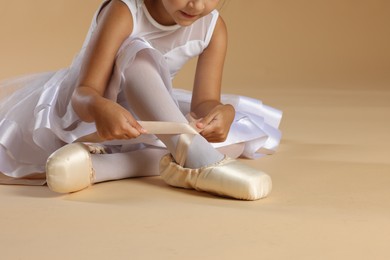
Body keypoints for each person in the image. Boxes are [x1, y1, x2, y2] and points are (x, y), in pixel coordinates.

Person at [0, 0, 282, 200]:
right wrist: (101, 108)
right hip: (90, 112)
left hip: (148, 112)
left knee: (240, 134)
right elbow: (83, 95)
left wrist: (220, 112)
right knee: (137, 50)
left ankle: (104, 168)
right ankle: (197, 161)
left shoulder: (213, 27)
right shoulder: (125, 11)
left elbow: (204, 102)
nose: (197, 5)